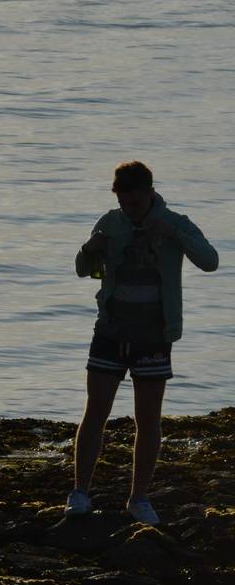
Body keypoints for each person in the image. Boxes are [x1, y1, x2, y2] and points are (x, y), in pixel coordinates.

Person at [67, 161, 218, 526]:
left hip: (153, 336)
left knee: (148, 420)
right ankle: (79, 493)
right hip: (110, 331)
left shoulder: (175, 222)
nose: (129, 209)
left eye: (134, 202)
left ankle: (139, 499)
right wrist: (89, 249)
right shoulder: (110, 222)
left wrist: (172, 233)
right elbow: (84, 269)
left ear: (150, 193)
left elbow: (210, 261)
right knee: (95, 412)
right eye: (123, 203)